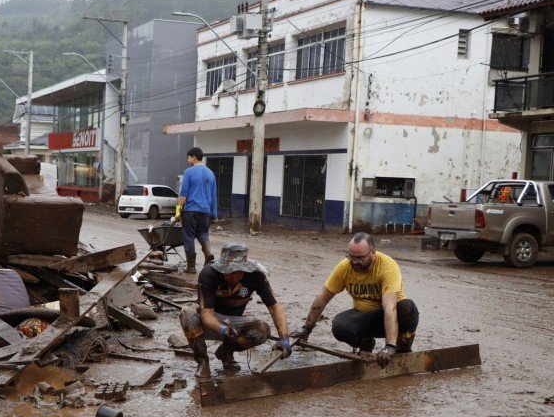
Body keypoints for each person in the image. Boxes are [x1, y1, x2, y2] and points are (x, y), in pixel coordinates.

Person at [293, 233, 419, 368]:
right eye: (351, 257)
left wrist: (389, 346)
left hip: (392, 318)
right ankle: (366, 344)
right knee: (339, 325)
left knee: (407, 307)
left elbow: (390, 307)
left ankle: (402, 348)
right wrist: (306, 329)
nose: (354, 262)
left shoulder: (387, 266)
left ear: (373, 252)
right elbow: (322, 298)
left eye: (360, 258)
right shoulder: (345, 267)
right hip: (366, 318)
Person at [180, 242, 293, 378]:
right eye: (228, 271)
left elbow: (275, 307)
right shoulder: (209, 274)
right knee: (187, 312)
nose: (232, 276)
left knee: (262, 330)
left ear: (245, 268)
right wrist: (222, 329)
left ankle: (225, 352)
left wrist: (284, 338)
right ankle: (203, 362)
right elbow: (207, 315)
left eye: (237, 272)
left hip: (235, 323)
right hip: (211, 321)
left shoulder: (256, 275)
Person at [175, 147, 217, 274]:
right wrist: (214, 215)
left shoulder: (189, 171)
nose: (188, 160)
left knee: (188, 237)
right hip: (205, 212)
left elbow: (184, 193)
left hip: (191, 210)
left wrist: (178, 211)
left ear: (193, 157)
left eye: (189, 158)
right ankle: (208, 253)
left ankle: (191, 267)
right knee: (203, 234)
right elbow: (213, 196)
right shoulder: (211, 173)